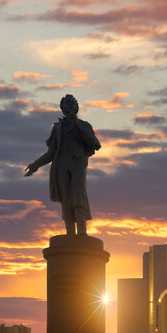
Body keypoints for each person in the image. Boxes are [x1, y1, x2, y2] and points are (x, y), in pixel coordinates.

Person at [24, 94, 101, 235]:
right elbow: (51, 153)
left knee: (78, 195)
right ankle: (70, 233)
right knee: (65, 199)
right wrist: (35, 165)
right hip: (61, 164)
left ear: (77, 107)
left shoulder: (84, 125)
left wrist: (76, 124)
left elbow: (93, 143)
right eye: (67, 104)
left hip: (78, 163)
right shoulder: (58, 128)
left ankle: (82, 232)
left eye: (72, 104)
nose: (70, 106)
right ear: (62, 108)